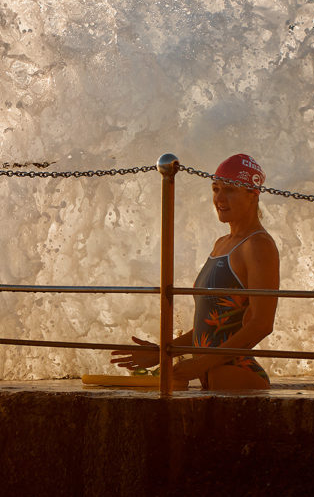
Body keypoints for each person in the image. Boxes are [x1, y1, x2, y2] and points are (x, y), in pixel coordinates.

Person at [111, 153, 280, 390]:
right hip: (211, 371)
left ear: (252, 194)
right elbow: (209, 325)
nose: (219, 198)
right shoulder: (221, 243)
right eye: (215, 189)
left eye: (229, 190)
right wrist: (163, 353)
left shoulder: (258, 245)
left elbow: (262, 323)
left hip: (235, 373)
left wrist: (200, 365)